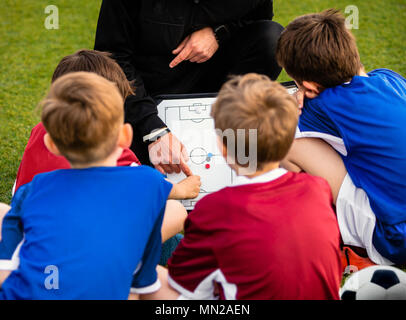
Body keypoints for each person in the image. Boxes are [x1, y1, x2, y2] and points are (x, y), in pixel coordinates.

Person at [0, 72, 201, 299]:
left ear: (51, 143)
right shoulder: (147, 183)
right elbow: (141, 286)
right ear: (125, 136)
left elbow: (6, 265)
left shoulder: (32, 191)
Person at [162, 74, 342, 300]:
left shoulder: (214, 209)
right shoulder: (317, 189)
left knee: (149, 280)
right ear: (288, 141)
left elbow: (186, 288)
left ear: (223, 148)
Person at [13, 50, 186, 245]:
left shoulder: (41, 129)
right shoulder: (113, 147)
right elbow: (150, 185)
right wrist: (183, 189)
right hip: (89, 245)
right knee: (174, 214)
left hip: (32, 230)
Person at [276, 10, 406, 266]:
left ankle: (328, 237)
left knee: (285, 143)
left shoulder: (322, 106)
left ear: (310, 88)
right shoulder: (390, 78)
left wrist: (289, 100)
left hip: (393, 239)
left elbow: (266, 123)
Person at [94, 0, 284, 174]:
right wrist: (152, 128)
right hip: (146, 91)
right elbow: (111, 59)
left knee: (271, 38)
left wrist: (218, 33)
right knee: (139, 177)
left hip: (218, 81)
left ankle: (236, 130)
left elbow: (257, 21)